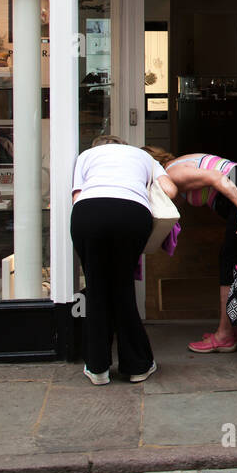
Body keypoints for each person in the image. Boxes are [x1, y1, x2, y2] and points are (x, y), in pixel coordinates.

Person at [142, 146, 237, 354]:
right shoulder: (178, 165)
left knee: (229, 261)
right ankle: (233, 327)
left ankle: (224, 336)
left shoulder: (173, 173)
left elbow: (217, 178)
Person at [71, 134, 177, 385]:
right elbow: (171, 191)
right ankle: (137, 365)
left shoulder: (85, 156)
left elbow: (76, 197)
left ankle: (97, 368)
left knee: (97, 289)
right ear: (123, 147)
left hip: (88, 212)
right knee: (122, 287)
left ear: (98, 148)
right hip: (130, 213)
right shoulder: (143, 156)